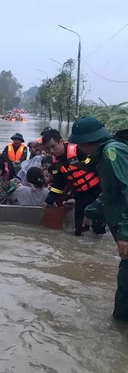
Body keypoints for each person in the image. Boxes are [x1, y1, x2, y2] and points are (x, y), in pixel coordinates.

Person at [68, 116, 128, 320]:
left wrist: (125, 234)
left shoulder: (113, 153)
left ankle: (118, 333)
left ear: (85, 143)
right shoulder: (105, 155)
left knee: (126, 289)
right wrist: (90, 211)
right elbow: (111, 194)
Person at [42, 129, 106, 236]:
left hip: (96, 191)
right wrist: (48, 201)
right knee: (79, 228)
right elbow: (58, 185)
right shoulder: (55, 164)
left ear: (61, 142)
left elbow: (96, 167)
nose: (51, 151)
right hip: (80, 194)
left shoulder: (79, 151)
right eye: (48, 149)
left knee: (98, 227)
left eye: (53, 146)